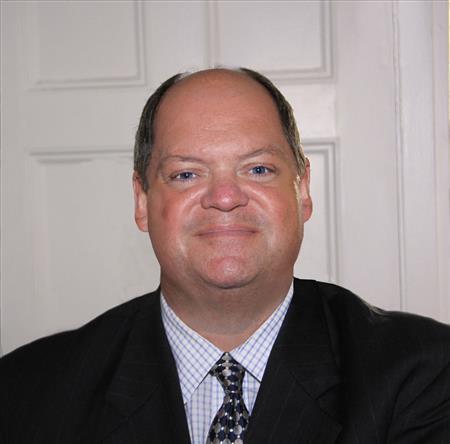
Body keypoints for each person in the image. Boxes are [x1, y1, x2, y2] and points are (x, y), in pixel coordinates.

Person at [1, 68, 449, 444]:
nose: (225, 196)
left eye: (258, 168)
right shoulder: (26, 390)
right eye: (186, 174)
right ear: (142, 201)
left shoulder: (425, 374)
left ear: (303, 190)